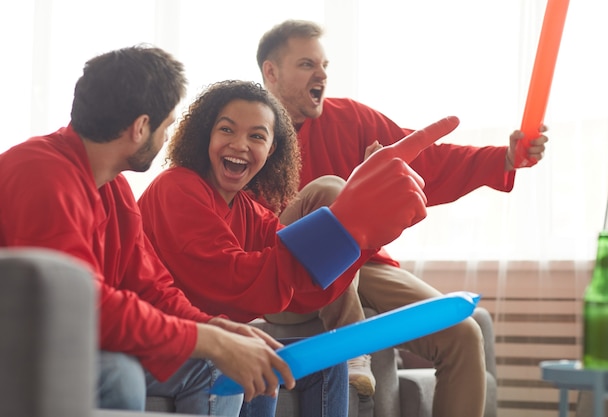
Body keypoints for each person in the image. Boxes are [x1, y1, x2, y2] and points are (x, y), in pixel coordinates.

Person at [0, 45, 458, 416]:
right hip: (47, 345)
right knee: (130, 371)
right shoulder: (47, 175)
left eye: (258, 136)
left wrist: (359, 232)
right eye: (168, 124)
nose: (167, 136)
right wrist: (351, 223)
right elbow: (88, 306)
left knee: (276, 359)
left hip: (103, 334)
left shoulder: (115, 188)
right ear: (142, 128)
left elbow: (156, 288)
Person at [255, 19, 550, 417]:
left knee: (462, 333)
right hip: (286, 268)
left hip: (363, 262)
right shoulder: (246, 133)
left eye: (325, 64)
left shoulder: (351, 120)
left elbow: (426, 159)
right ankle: (350, 342)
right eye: (307, 64)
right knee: (331, 196)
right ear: (271, 73)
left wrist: (505, 157)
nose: (322, 73)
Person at [137, 80, 459, 417]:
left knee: (326, 365)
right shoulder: (177, 188)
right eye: (227, 130)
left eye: (257, 136)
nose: (240, 144)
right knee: (241, 360)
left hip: (207, 340)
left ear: (272, 150)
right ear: (205, 136)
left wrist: (366, 233)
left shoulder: (250, 212)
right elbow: (235, 283)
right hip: (162, 342)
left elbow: (305, 288)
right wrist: (353, 220)